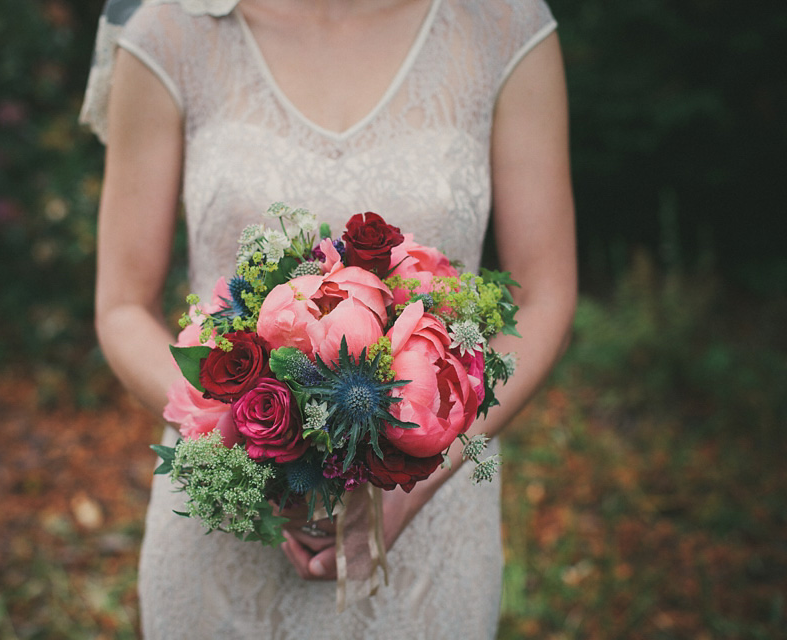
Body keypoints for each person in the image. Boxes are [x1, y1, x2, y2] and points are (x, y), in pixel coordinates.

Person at [83, 0, 576, 636]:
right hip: (225, 543)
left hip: (429, 535)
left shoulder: (505, 25)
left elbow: (546, 297)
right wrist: (249, 448)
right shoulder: (171, 30)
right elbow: (122, 304)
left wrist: (415, 483)